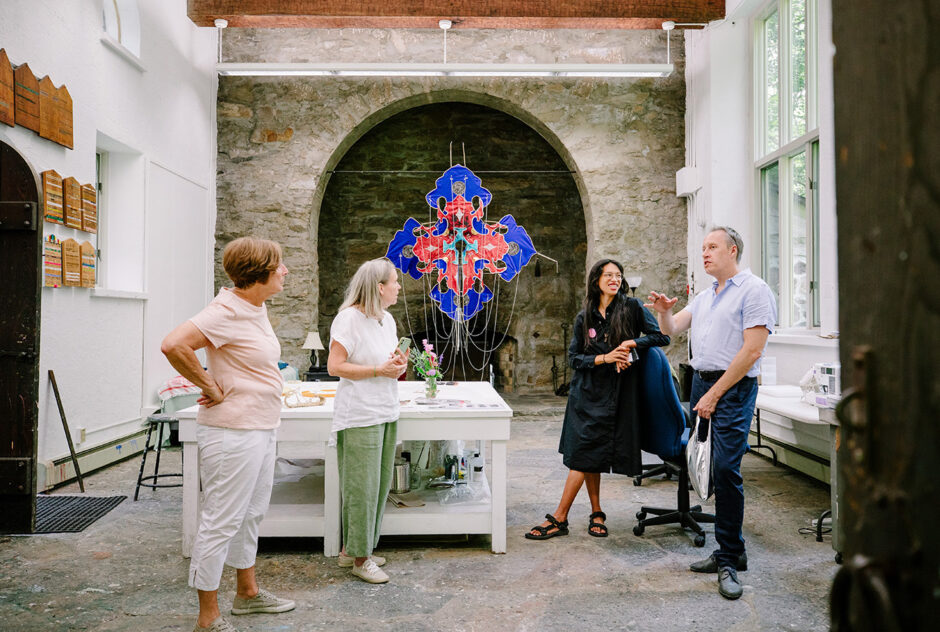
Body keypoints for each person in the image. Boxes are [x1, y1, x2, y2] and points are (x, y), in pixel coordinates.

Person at [161, 237, 295, 632]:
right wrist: (209, 386)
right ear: (259, 273)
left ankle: (248, 594)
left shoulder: (254, 306)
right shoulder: (225, 311)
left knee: (251, 514)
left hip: (260, 425)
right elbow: (173, 345)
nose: (285, 271)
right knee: (220, 520)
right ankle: (208, 617)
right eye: (280, 265)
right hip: (232, 432)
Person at [645, 226, 777, 601]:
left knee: (725, 470)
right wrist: (663, 313)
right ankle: (731, 550)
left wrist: (716, 394)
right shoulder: (706, 296)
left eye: (712, 247)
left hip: (732, 389)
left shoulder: (754, 291)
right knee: (703, 465)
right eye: (703, 248)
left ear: (732, 251)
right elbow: (671, 331)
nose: (705, 253)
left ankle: (729, 557)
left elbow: (752, 351)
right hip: (702, 384)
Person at [526, 259, 670, 541]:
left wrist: (631, 345)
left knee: (585, 455)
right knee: (585, 454)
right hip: (586, 394)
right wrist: (605, 357)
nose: (615, 280)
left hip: (617, 395)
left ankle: (560, 517)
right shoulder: (585, 316)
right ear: (597, 280)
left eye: (618, 276)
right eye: (609, 275)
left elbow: (660, 337)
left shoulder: (632, 307)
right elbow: (574, 359)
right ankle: (596, 512)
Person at [327, 258, 408, 584]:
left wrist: (397, 365)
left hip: (385, 409)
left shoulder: (386, 320)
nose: (399, 286)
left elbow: (387, 365)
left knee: (377, 486)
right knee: (361, 488)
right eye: (395, 281)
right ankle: (361, 559)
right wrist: (378, 371)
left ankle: (355, 550)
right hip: (359, 414)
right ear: (379, 287)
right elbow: (335, 366)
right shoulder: (348, 319)